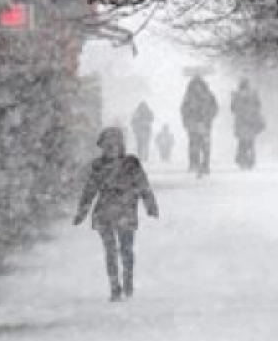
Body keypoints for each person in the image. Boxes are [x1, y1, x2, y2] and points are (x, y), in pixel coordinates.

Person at [74, 127, 159, 301]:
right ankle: (116, 286)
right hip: (112, 212)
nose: (112, 147)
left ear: (121, 145)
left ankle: (125, 281)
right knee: (113, 251)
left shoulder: (130, 163)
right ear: (103, 146)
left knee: (123, 250)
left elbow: (143, 185)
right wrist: (82, 212)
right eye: (108, 144)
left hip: (119, 211)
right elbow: (89, 190)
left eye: (115, 143)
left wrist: (150, 204)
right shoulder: (103, 165)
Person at [179, 75, 218, 177]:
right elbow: (183, 110)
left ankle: (205, 165)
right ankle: (194, 163)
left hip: (205, 123)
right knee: (194, 144)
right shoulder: (189, 97)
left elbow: (214, 108)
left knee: (205, 145)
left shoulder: (208, 96)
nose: (198, 87)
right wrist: (187, 120)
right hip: (193, 124)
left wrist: (210, 117)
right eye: (196, 85)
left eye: (199, 85)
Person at [230, 79, 266, 170]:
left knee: (242, 143)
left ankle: (242, 160)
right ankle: (249, 161)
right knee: (250, 142)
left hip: (242, 123)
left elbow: (233, 109)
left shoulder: (237, 96)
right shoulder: (253, 95)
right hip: (251, 123)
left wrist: (234, 99)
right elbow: (258, 106)